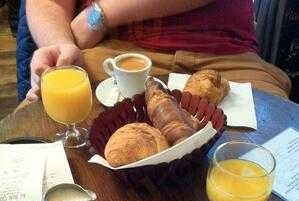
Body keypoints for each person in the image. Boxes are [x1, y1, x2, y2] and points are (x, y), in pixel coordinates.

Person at [24, 0, 290, 101]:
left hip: (226, 57)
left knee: (284, 170)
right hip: (112, 56)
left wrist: (101, 15)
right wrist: (60, 45)